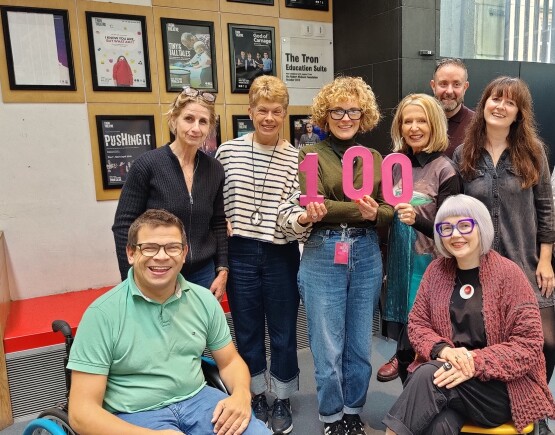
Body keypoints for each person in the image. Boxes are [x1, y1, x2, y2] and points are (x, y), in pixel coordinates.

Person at [68, 209, 271, 435]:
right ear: (131, 253)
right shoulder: (102, 314)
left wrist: (241, 395)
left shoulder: (204, 300)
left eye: (172, 247)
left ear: (184, 253)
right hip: (134, 414)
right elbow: (81, 413)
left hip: (198, 400)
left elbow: (230, 362)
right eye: (149, 247)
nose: (162, 256)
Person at [382, 194, 555, 435]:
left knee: (427, 376)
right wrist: (444, 350)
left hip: (501, 389)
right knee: (439, 424)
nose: (455, 234)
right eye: (446, 228)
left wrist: (473, 363)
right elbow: (418, 324)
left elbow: (529, 344)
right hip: (449, 382)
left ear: (481, 227)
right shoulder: (435, 271)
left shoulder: (509, 274)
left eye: (464, 226)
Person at [216, 76, 323, 434]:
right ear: (249, 112)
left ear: (284, 113)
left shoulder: (298, 158)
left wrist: (301, 221)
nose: (269, 118)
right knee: (246, 331)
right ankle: (256, 393)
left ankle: (282, 398)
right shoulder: (228, 152)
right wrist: (223, 220)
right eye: (262, 110)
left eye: (277, 111)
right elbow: (217, 202)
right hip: (241, 251)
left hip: (281, 253)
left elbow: (298, 213)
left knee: (282, 331)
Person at [452, 76, 555, 435]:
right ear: (484, 105)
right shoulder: (463, 154)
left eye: (509, 102)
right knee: (495, 339)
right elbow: (456, 212)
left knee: (545, 342)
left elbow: (546, 207)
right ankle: (504, 406)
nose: (500, 106)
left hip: (526, 263)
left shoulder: (534, 152)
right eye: (495, 99)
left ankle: (537, 406)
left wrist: (545, 259)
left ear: (519, 113)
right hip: (481, 268)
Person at [296, 76, 393, 435]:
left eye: (353, 110)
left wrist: (374, 213)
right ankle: (332, 418)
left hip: (366, 252)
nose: (345, 117)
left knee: (358, 343)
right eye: (338, 110)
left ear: (363, 114)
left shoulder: (374, 157)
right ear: (326, 113)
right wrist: (363, 210)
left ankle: (353, 410)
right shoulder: (309, 154)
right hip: (324, 252)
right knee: (326, 344)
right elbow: (315, 204)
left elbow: (389, 212)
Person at [112, 87, 228, 300]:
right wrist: (129, 276)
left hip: (203, 273)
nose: (195, 128)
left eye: (203, 122)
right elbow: (123, 225)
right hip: (159, 269)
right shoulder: (147, 165)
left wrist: (222, 269)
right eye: (189, 119)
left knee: (199, 332)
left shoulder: (214, 169)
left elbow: (218, 222)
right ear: (174, 120)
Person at [377, 94, 461, 384]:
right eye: (407, 121)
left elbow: (452, 232)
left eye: (421, 120)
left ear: (434, 124)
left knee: (424, 349)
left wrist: (419, 221)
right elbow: (385, 212)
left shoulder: (445, 170)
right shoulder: (394, 165)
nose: (414, 127)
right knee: (402, 349)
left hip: (428, 271)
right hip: (398, 270)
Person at [430, 58, 474, 158]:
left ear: (465, 87)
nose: (449, 91)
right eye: (443, 84)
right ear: (433, 86)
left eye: (456, 84)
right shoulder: (420, 122)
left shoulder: (478, 125)